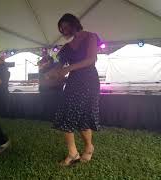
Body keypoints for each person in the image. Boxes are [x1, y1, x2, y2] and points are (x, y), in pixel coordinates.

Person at [53, 13, 100, 166]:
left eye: (65, 27)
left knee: (83, 116)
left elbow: (91, 59)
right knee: (68, 114)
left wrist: (69, 68)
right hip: (73, 82)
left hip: (89, 80)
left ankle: (88, 147)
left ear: (74, 24)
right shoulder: (66, 48)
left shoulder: (90, 37)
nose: (64, 31)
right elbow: (59, 68)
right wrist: (53, 73)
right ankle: (73, 153)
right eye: (61, 29)